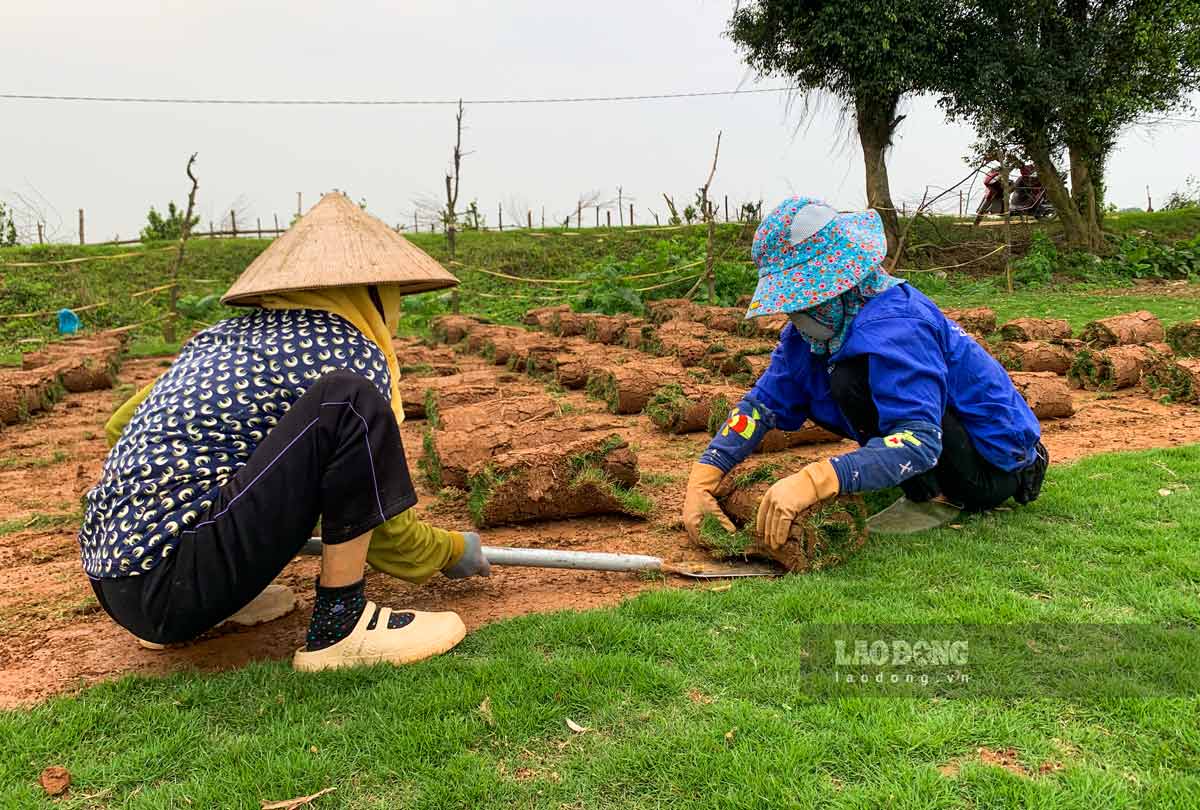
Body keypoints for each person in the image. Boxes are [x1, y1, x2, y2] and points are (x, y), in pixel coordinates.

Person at [79, 193, 490, 671]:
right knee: (351, 403)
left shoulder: (221, 339)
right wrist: (453, 550)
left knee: (317, 423)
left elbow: (121, 426)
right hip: (175, 584)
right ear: (374, 294)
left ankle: (223, 598)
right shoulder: (350, 353)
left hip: (118, 582)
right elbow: (385, 534)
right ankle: (341, 627)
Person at [683, 196, 1048, 549]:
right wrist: (707, 472)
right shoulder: (814, 334)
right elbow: (761, 405)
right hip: (950, 442)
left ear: (840, 286)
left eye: (805, 300)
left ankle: (940, 496)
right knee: (840, 375)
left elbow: (917, 441)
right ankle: (921, 484)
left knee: (849, 379)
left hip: (994, 465)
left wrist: (817, 480)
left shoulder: (899, 326)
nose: (797, 315)